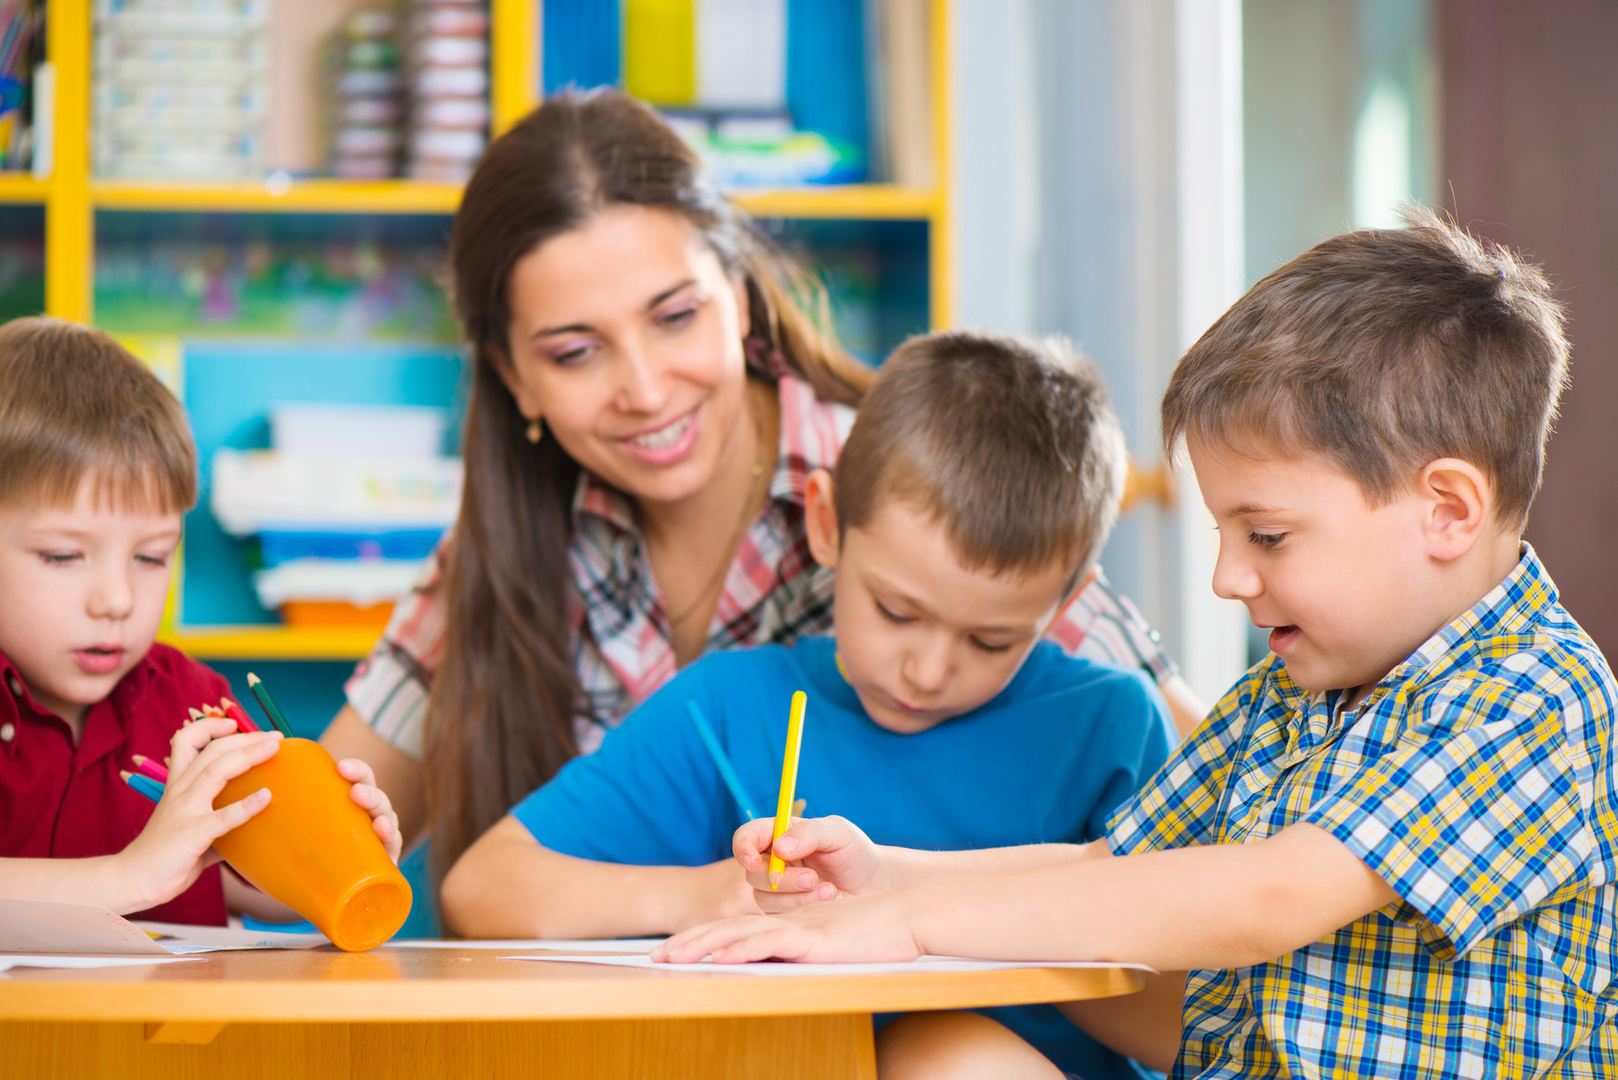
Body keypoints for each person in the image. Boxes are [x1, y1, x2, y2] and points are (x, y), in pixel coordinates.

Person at [655, 211, 1618, 1078]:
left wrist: (907, 925)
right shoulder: (1295, 694)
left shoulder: (1533, 695)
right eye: (1225, 537)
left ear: (1446, 510)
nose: (1229, 579)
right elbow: (1112, 866)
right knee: (932, 1050)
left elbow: (1269, 893)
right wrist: (885, 875)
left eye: (1267, 536)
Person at [321, 88, 1203, 888]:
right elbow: (333, 845)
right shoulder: (505, 553)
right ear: (514, 378)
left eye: (675, 317)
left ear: (739, 298)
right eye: (575, 352)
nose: (646, 387)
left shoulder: (908, 489)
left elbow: (1216, 803)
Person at [442, 329, 1176, 1080]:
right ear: (825, 524)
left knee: (946, 1055)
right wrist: (700, 895)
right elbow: (483, 888)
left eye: (991, 641)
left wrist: (972, 927)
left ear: (1066, 604)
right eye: (895, 611)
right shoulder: (731, 706)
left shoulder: (1110, 725)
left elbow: (1181, 1032)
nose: (927, 671)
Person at [0, 318, 401, 924]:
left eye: (151, 557)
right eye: (63, 556)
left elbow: (245, 883)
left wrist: (333, 855)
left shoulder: (193, 706)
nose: (117, 599)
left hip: (175, 1023)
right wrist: (126, 877)